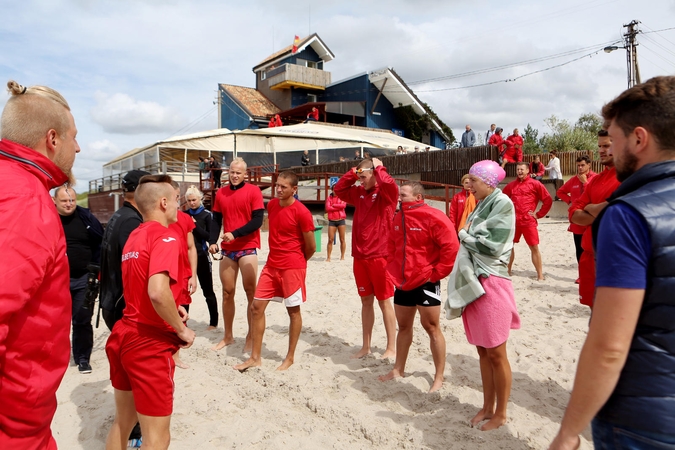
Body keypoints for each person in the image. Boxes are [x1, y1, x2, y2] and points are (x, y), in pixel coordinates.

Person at [549, 76, 675, 450]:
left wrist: (569, 430)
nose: (610, 148)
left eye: (613, 138)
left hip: (646, 413)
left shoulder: (630, 213)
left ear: (639, 138)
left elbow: (609, 346)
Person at [0, 80, 79, 449]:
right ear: (52, 139)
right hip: (16, 428)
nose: (78, 147)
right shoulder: (24, 200)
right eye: (73, 137)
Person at [104, 174, 196, 450]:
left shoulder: (134, 235)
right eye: (178, 200)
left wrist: (172, 307)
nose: (179, 206)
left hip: (123, 334)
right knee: (157, 437)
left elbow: (140, 286)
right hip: (148, 344)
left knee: (122, 422)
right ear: (164, 202)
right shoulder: (166, 236)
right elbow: (157, 291)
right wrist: (181, 330)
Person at [446, 160, 520, 431]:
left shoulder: (503, 204)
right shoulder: (480, 204)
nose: (470, 186)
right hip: (478, 279)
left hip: (492, 282)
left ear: (489, 182)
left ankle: (501, 412)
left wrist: (464, 234)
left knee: (497, 352)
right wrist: (468, 233)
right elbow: (476, 236)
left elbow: (492, 245)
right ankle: (488, 406)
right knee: (482, 350)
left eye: (474, 182)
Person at [379, 182, 459, 392]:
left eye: (403, 195)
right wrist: (391, 267)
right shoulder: (398, 216)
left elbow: (451, 247)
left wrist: (436, 274)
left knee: (431, 328)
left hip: (426, 280)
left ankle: (439, 376)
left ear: (418, 197)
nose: (399, 199)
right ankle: (398, 369)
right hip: (402, 281)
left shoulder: (433, 216)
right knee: (404, 327)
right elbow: (391, 245)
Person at [233, 171, 316, 372]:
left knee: (293, 311)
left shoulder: (302, 212)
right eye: (277, 185)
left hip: (293, 267)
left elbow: (311, 246)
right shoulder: (271, 205)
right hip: (271, 265)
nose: (278, 190)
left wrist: (297, 262)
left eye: (283, 187)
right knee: (256, 307)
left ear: (294, 189)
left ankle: (289, 357)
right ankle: (255, 357)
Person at [334, 158, 397, 359]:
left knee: (384, 301)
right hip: (360, 256)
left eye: (363, 176)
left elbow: (389, 184)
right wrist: (352, 173)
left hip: (380, 255)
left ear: (374, 173)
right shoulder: (359, 191)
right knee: (366, 301)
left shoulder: (386, 193)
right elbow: (339, 190)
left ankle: (391, 347)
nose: (360, 180)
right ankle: (366, 346)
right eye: (359, 177)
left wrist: (380, 167)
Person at [209, 158, 265, 351]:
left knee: (251, 293)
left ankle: (250, 336)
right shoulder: (221, 193)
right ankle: (228, 336)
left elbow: (257, 221)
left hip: (247, 246)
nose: (234, 176)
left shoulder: (253, 191)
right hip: (228, 249)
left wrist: (235, 233)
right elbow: (216, 220)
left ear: (245, 174)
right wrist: (211, 241)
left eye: (238, 173)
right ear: (228, 173)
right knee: (227, 293)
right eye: (232, 172)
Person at [53, 186, 104, 374]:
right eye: (65, 201)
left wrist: (97, 270)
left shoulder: (87, 219)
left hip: (84, 278)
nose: (69, 204)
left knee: (82, 319)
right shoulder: (48, 219)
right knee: (56, 322)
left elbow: (100, 243)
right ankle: (56, 358)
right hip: (56, 280)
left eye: (72, 200)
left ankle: (83, 358)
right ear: (55, 201)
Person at [567, 131, 620, 308]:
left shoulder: (629, 178)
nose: (601, 150)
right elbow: (574, 213)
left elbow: (617, 211)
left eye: (606, 146)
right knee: (593, 311)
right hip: (589, 256)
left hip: (614, 259)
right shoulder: (597, 181)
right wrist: (598, 210)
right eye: (599, 146)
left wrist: (590, 207)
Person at [100, 170, 151, 330]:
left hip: (111, 300)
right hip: (122, 306)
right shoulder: (131, 221)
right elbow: (134, 268)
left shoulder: (120, 215)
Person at [502, 162, 552, 280]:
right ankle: (508, 271)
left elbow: (548, 200)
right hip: (513, 222)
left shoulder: (535, 184)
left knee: (534, 247)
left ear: (527, 171)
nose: (519, 171)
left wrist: (539, 214)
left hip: (528, 221)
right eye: (518, 169)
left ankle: (540, 275)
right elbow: (501, 199)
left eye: (522, 169)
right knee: (509, 246)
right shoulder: (511, 186)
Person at [167, 182, 197, 369]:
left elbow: (191, 247)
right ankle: (168, 353)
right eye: (174, 196)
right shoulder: (153, 220)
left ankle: (175, 354)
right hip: (164, 274)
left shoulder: (184, 219)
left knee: (182, 313)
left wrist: (193, 275)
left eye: (179, 196)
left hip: (182, 274)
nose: (178, 200)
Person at [185, 186, 219, 330]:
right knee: (184, 291)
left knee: (208, 290)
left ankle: (213, 322)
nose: (192, 203)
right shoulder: (184, 214)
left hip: (202, 255)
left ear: (200, 199)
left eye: (194, 200)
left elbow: (209, 237)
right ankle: (183, 321)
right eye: (189, 201)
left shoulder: (206, 215)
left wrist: (194, 225)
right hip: (186, 257)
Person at [556, 155, 596, 273]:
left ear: (589, 165)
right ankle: (582, 274)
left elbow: (595, 194)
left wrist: (585, 182)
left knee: (592, 249)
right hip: (577, 219)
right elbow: (560, 192)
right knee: (579, 249)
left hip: (591, 218)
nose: (580, 168)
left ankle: (594, 274)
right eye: (578, 165)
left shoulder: (596, 178)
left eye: (582, 165)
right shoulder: (573, 180)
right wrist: (569, 201)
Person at [325, 185, 347, 261]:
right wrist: (338, 206)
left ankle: (342, 256)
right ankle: (328, 257)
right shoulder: (329, 198)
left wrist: (334, 205)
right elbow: (328, 208)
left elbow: (343, 205)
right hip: (332, 220)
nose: (336, 191)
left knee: (342, 239)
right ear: (332, 190)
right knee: (330, 239)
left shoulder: (342, 197)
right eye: (334, 189)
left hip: (341, 219)